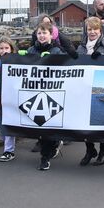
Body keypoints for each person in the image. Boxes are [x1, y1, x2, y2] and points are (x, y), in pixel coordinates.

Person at [77, 17, 104, 166]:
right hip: (84, 89)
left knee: (101, 121)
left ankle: (103, 152)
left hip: (100, 86)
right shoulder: (81, 47)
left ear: (100, 30)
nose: (92, 32)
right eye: (89, 29)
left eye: (95, 29)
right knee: (84, 122)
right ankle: (90, 149)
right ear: (86, 30)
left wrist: (102, 59)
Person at [27, 23, 65, 171]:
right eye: (39, 33)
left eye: (44, 33)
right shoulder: (31, 50)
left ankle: (45, 158)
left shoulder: (57, 50)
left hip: (52, 92)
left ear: (51, 35)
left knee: (48, 125)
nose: (42, 36)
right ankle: (53, 144)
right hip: (35, 91)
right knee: (39, 126)